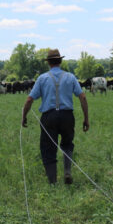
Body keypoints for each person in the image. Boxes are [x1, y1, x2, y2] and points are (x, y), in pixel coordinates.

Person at [22, 49, 89, 185]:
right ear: (60, 61)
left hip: (49, 117)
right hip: (67, 116)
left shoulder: (42, 78)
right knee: (67, 144)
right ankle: (67, 171)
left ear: (48, 63)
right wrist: (86, 118)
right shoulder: (70, 77)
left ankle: (53, 181)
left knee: (48, 148)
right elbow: (82, 96)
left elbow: (29, 100)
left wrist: (24, 116)